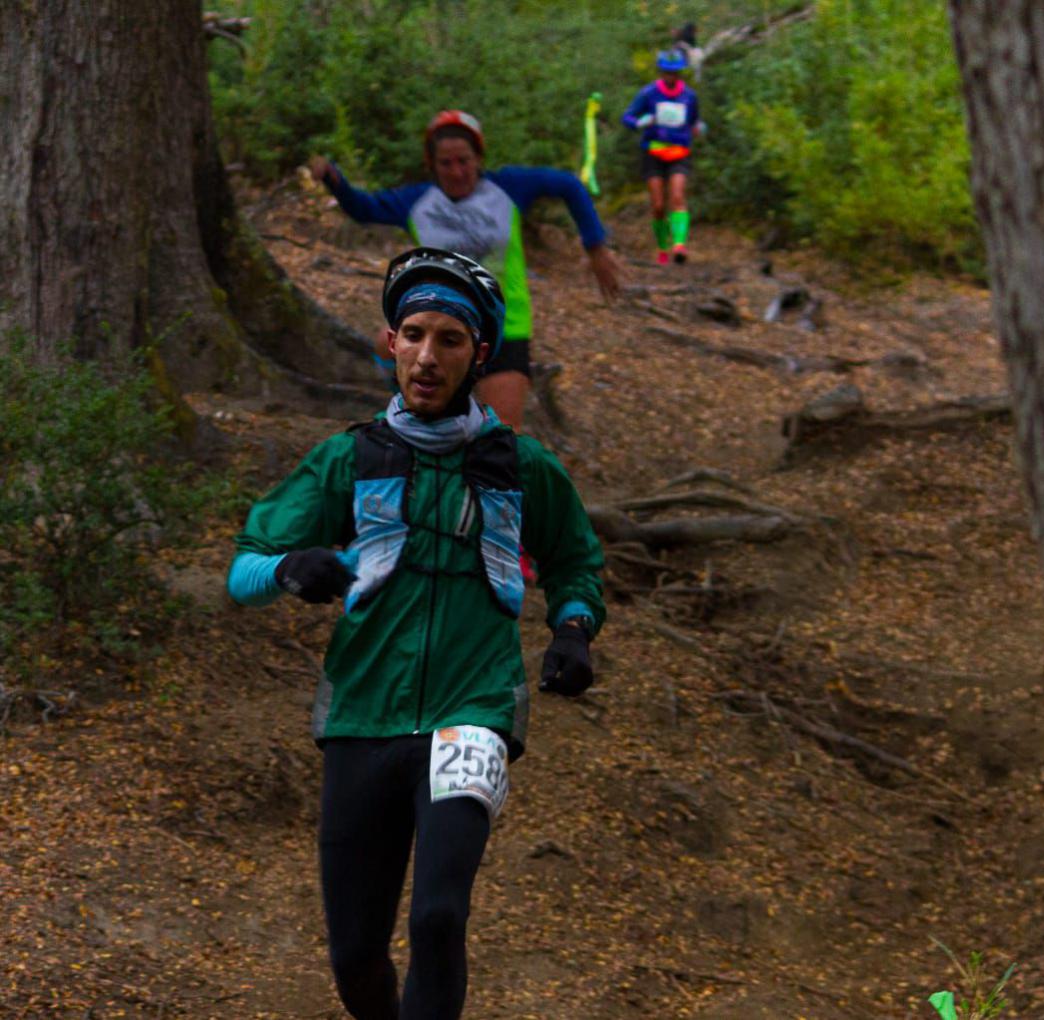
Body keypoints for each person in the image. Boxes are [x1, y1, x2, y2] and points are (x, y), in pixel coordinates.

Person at [226, 247, 605, 1020]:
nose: (428, 357)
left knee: (437, 915)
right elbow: (244, 571)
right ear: (389, 343)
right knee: (356, 953)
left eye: (450, 340)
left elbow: (576, 563)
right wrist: (294, 566)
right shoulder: (347, 459)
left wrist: (572, 629)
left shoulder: (524, 467)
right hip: (364, 711)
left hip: (474, 710)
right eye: (414, 334)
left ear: (479, 355)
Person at [309, 110, 622, 430]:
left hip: (503, 325)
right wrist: (335, 180)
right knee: (385, 343)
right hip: (440, 323)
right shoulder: (418, 201)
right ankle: (409, 409)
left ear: (479, 158)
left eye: (464, 160)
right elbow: (365, 209)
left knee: (501, 436)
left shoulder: (509, 188)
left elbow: (569, 185)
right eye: (446, 163)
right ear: (432, 165)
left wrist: (596, 247)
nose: (457, 171)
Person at [622, 50, 705, 265]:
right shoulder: (648, 94)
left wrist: (700, 128)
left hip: (679, 153)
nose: (671, 76)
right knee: (658, 205)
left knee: (677, 196)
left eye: (675, 72)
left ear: (680, 73)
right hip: (653, 153)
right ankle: (662, 247)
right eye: (667, 72)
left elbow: (696, 121)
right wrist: (641, 122)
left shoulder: (689, 96)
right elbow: (627, 117)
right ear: (661, 72)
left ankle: (679, 245)